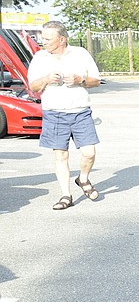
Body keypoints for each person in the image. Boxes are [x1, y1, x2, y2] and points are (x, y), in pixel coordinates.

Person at [27, 20, 102, 210]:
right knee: (60, 155)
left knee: (89, 153)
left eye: (48, 38)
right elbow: (33, 87)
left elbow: (96, 81)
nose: (43, 41)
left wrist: (81, 80)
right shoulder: (40, 57)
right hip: (53, 113)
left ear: (62, 39)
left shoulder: (80, 54)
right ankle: (65, 195)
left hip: (80, 111)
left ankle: (83, 179)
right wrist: (45, 79)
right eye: (43, 37)